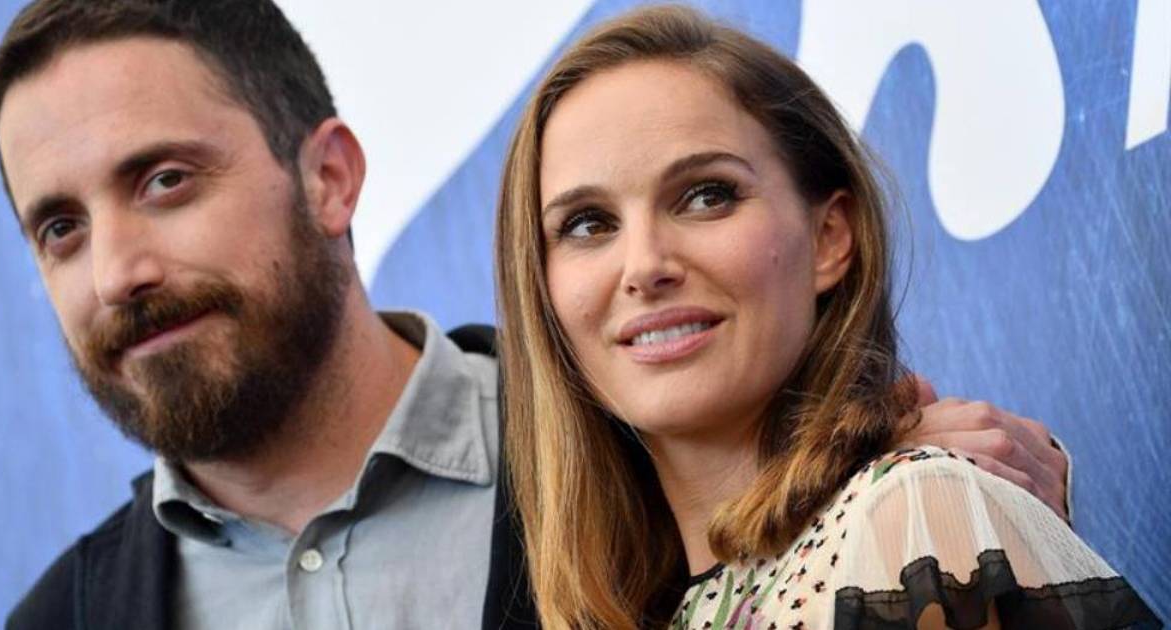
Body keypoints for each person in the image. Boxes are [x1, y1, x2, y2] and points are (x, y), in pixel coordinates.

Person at [0, 1, 1073, 628]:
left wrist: (911, 512)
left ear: (330, 178)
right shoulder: (58, 619)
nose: (115, 270)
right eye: (59, 227)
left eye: (166, 180)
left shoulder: (638, 431)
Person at [493, 5, 1158, 629]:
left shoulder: (915, 522)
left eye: (706, 196)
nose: (644, 265)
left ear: (830, 238)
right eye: (588, 224)